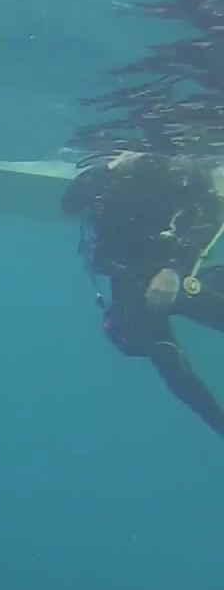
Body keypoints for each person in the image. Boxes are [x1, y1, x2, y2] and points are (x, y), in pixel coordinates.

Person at [61, 150, 224, 439]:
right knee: (166, 360)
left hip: (174, 273)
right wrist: (111, 168)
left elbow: (210, 214)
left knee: (205, 307)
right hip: (129, 283)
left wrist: (175, 269)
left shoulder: (181, 174)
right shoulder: (107, 176)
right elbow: (70, 203)